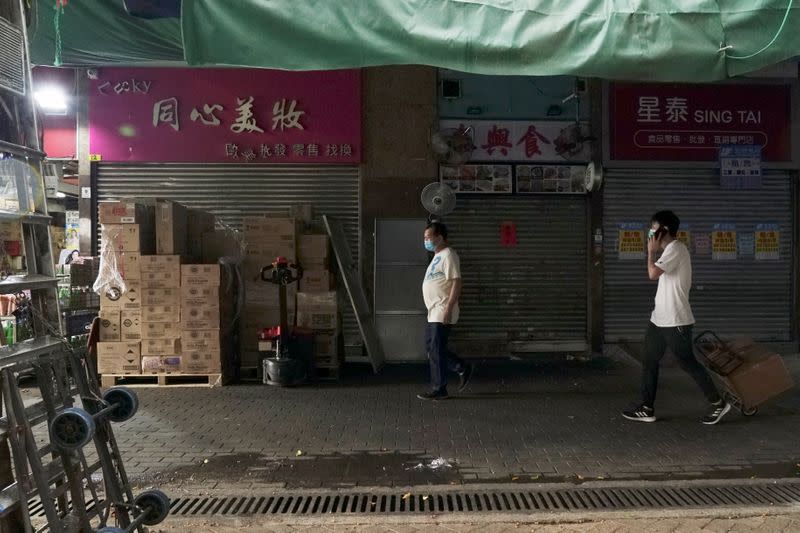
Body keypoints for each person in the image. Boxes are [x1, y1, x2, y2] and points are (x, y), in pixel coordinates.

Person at [623, 210, 730, 425]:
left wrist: (650, 252)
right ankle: (646, 407)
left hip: (675, 321)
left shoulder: (676, 249)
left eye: (653, 230)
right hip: (659, 319)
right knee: (649, 360)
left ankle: (718, 403)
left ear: (664, 231)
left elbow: (652, 274)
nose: (650, 234)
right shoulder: (670, 251)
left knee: (688, 362)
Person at [417, 222, 473, 400]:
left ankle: (439, 388)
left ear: (439, 237)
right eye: (424, 238)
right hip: (434, 311)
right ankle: (461, 366)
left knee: (435, 348)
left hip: (442, 309)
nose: (425, 240)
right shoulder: (437, 256)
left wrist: (449, 307)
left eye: (428, 237)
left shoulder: (449, 255)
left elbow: (456, 282)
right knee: (432, 348)